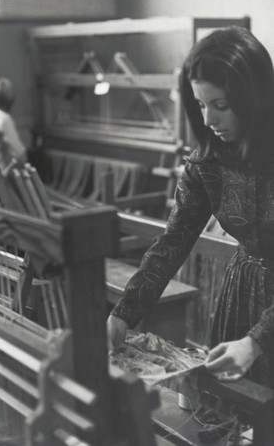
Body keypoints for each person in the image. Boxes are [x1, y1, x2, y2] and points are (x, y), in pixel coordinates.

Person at [107, 26, 274, 389]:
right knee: (237, 415)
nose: (209, 121)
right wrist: (124, 313)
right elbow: (173, 241)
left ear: (254, 99)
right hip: (243, 294)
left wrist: (258, 341)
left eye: (221, 106)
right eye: (200, 105)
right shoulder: (208, 163)